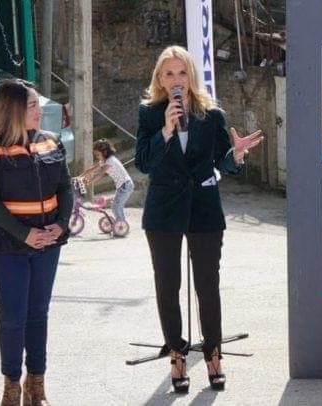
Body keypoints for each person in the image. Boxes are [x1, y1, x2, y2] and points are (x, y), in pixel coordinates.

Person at [134, 45, 264, 394]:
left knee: (207, 285)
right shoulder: (150, 114)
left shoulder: (212, 115)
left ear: (191, 75)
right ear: (160, 79)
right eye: (169, 74)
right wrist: (165, 130)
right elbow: (143, 163)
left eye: (182, 72)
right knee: (168, 285)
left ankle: (213, 355)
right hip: (163, 210)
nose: (176, 79)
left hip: (204, 208)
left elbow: (224, 162)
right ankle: (176, 355)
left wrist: (237, 154)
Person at [0, 79, 72, 406]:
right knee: (13, 318)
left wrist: (60, 225)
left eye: (37, 103)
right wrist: (24, 234)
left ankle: (36, 385)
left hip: (48, 243)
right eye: (31, 105)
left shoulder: (52, 142)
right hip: (9, 245)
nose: (39, 110)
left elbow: (65, 188)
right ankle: (11, 386)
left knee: (38, 314)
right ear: (11, 109)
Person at [80, 139, 134, 225]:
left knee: (116, 206)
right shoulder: (104, 161)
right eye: (95, 155)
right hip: (122, 186)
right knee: (115, 205)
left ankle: (121, 224)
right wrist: (80, 177)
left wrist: (90, 182)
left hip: (126, 185)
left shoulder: (110, 161)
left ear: (104, 152)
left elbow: (101, 174)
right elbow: (92, 169)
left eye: (98, 155)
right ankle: (119, 222)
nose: (97, 157)